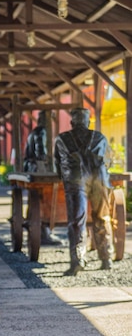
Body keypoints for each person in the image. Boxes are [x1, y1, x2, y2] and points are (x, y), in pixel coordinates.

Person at [54, 108, 113, 276]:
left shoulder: (62, 139)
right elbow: (108, 161)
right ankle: (106, 258)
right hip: (99, 179)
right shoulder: (100, 138)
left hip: (75, 179)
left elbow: (57, 166)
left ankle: (78, 260)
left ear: (72, 123)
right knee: (102, 217)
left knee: (77, 221)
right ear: (88, 122)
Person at [23, 111, 61, 245]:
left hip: (30, 167)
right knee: (45, 198)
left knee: (36, 199)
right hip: (37, 168)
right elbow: (41, 152)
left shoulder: (34, 131)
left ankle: (39, 229)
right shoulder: (42, 132)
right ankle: (43, 231)